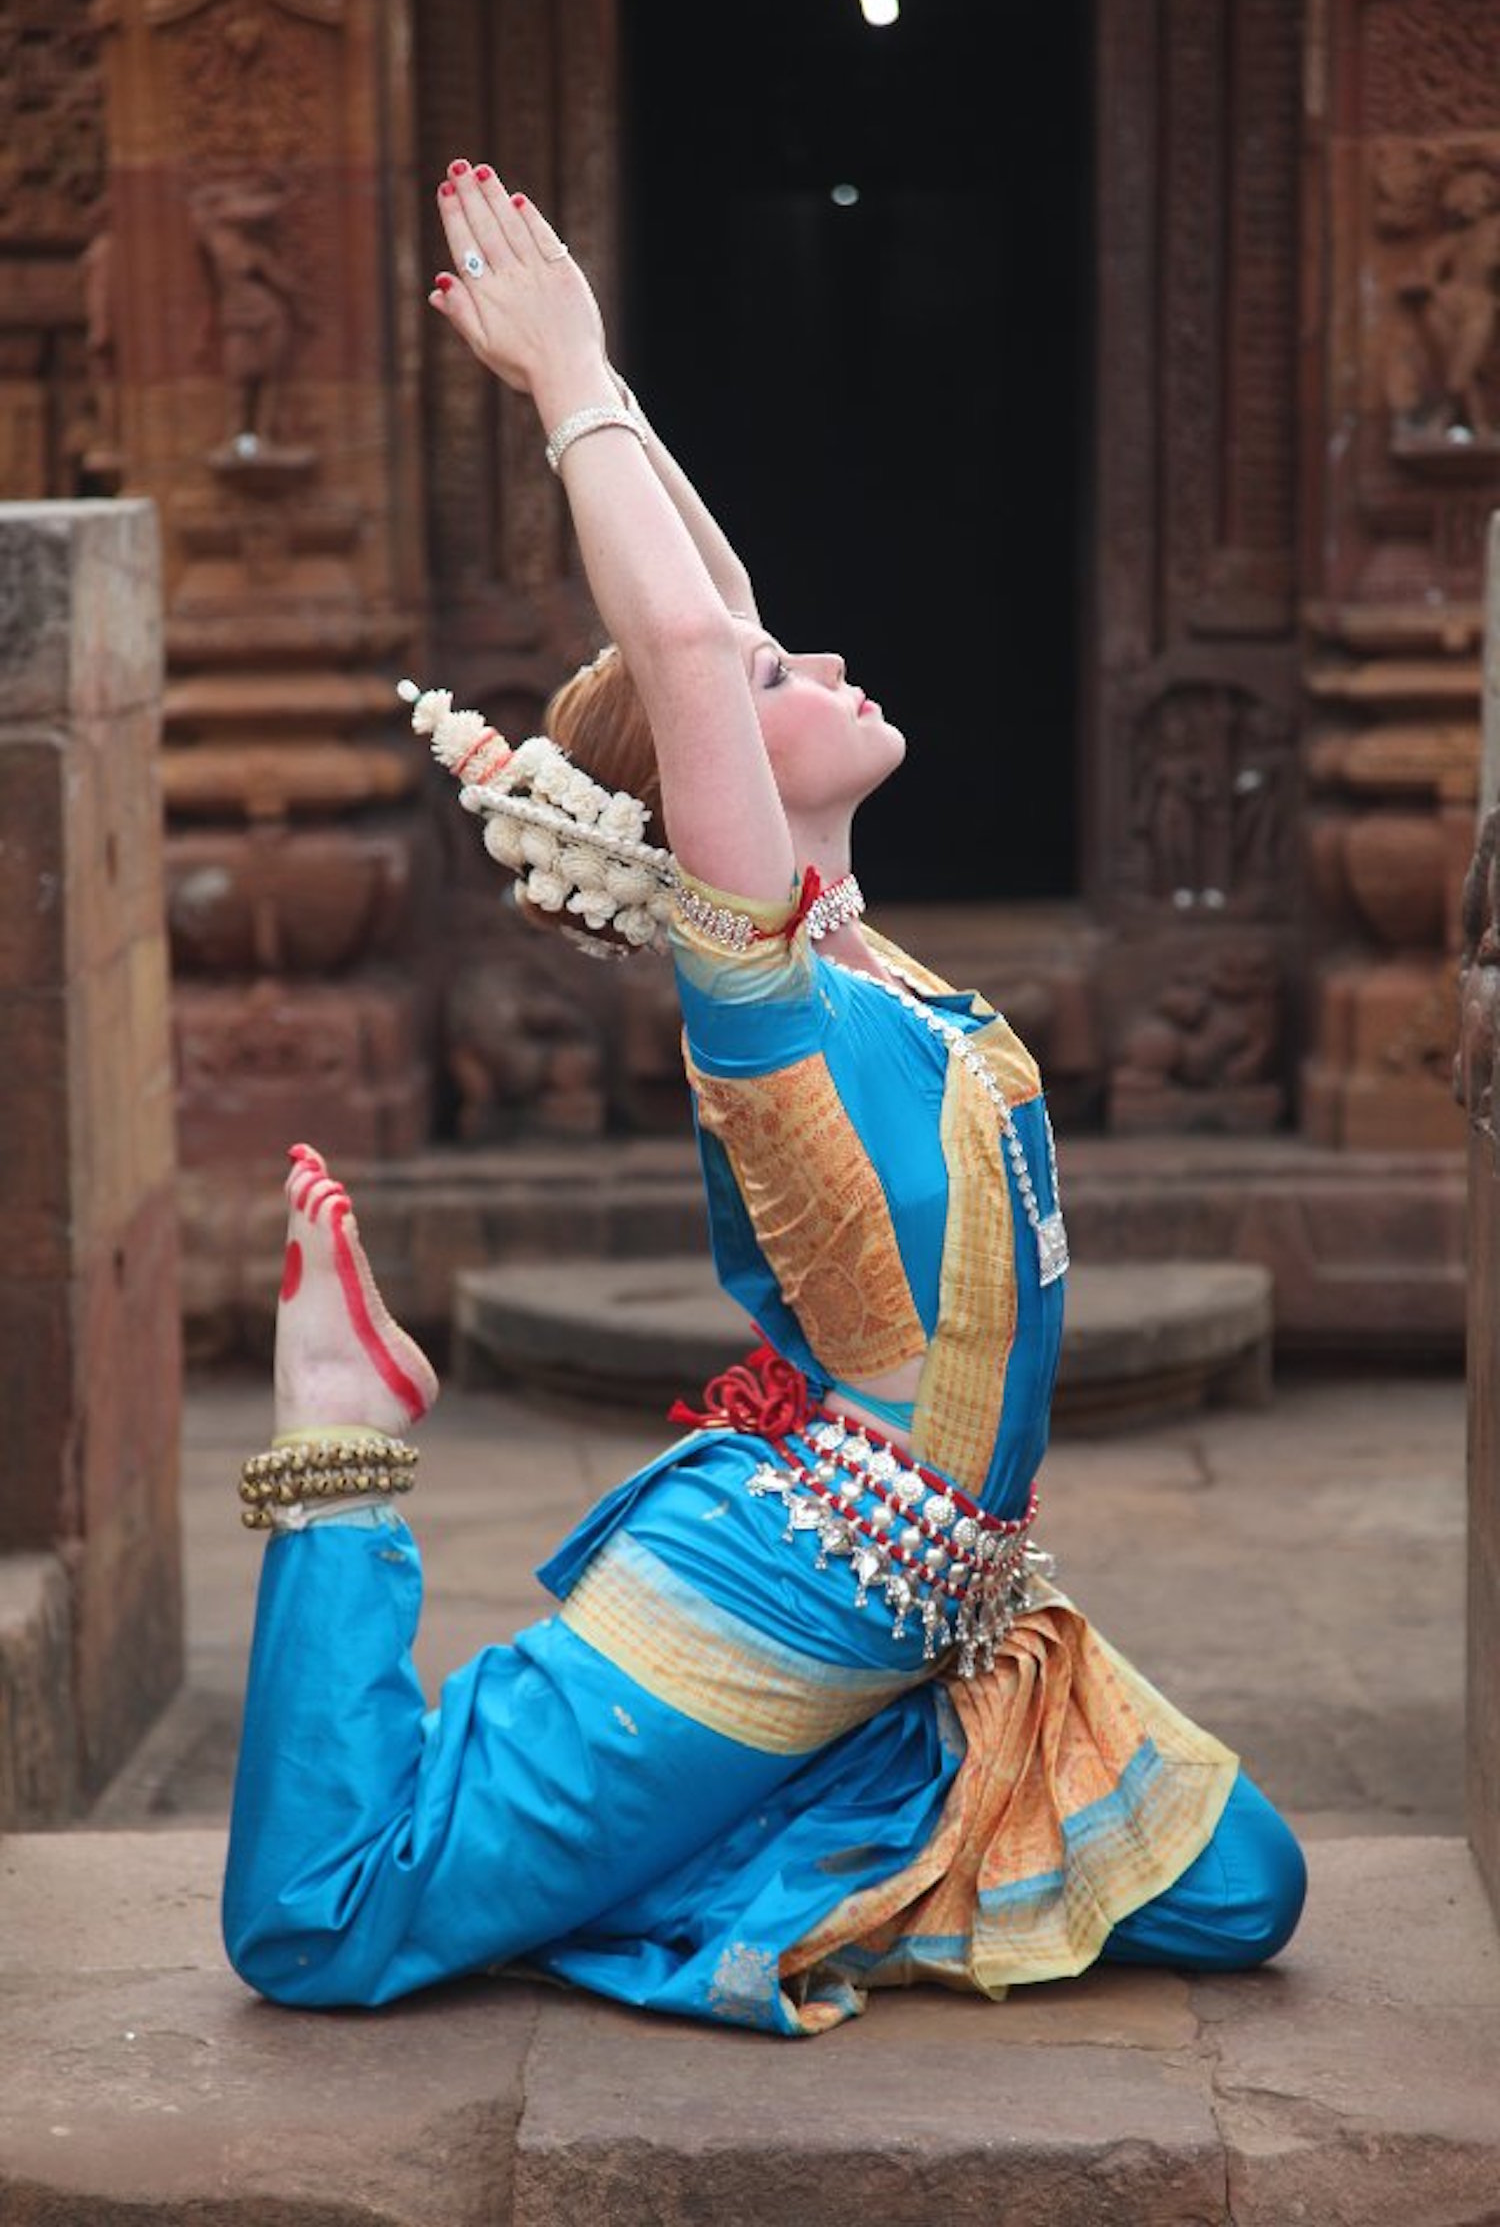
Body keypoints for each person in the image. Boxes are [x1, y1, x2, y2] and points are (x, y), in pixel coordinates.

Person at [221, 161, 1306, 2034]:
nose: (806, 654)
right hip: (781, 1583)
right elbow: (690, 648)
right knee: (328, 1914)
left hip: (940, 1605)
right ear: (707, 783)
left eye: (785, 657)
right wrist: (568, 390)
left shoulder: (866, 956)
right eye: (776, 675)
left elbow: (709, 620)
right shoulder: (764, 994)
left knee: (1244, 1885)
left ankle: (762, 1830)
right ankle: (341, 1434)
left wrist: (608, 376)